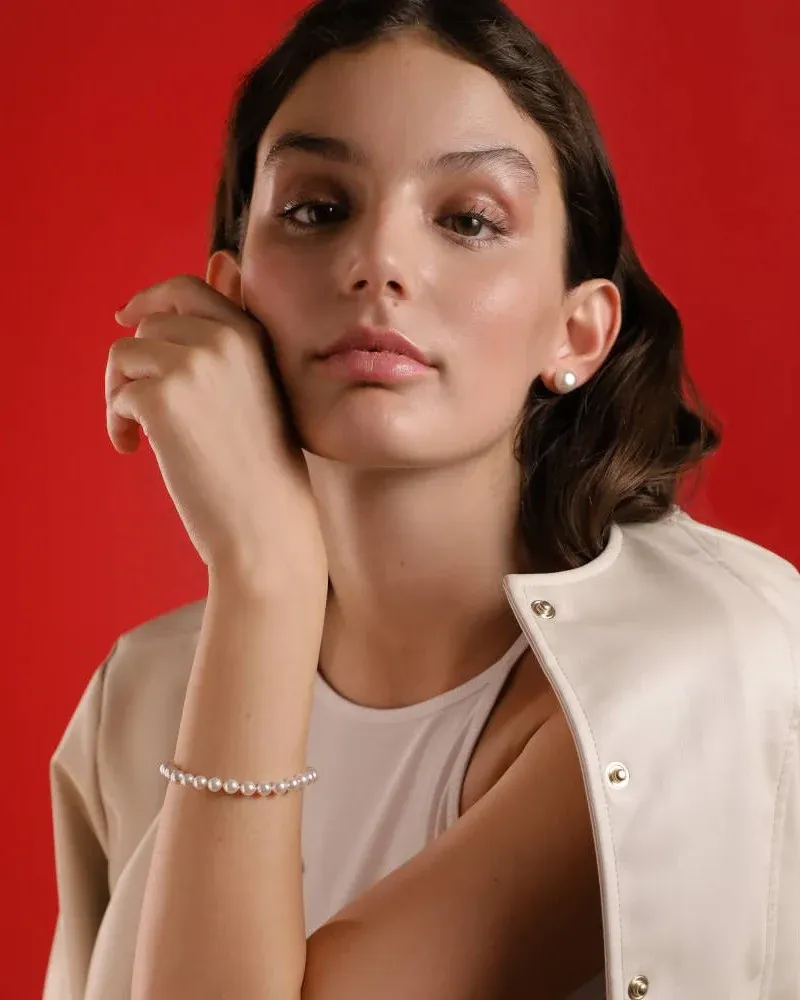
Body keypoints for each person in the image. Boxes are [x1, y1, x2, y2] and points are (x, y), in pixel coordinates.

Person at [43, 0, 799, 997]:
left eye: (468, 219)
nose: (378, 264)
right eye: (316, 209)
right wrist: (259, 588)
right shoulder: (139, 697)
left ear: (576, 332)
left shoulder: (693, 672)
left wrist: (265, 571)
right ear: (231, 296)